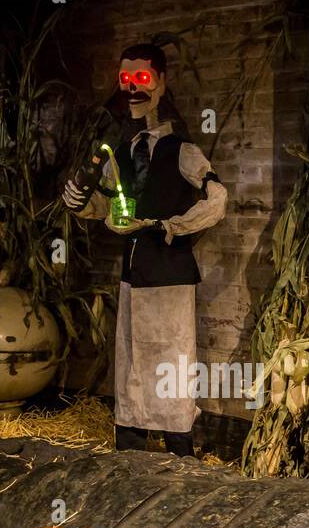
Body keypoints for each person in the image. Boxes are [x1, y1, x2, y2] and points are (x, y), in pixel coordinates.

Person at [62, 43, 228, 458]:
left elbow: (217, 198)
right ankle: (131, 449)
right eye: (126, 80)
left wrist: (170, 226)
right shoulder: (120, 154)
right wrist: (78, 200)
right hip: (132, 275)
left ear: (161, 82)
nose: (133, 89)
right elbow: (103, 207)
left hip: (170, 275)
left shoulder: (182, 152)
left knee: (172, 360)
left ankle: (178, 450)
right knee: (132, 358)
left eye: (142, 79)